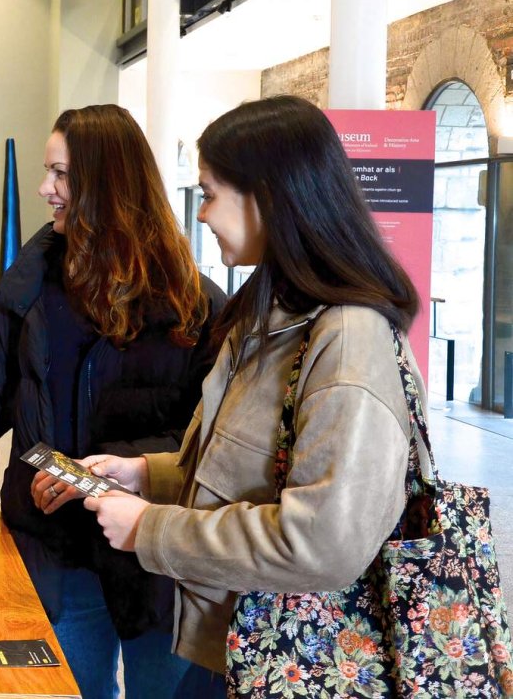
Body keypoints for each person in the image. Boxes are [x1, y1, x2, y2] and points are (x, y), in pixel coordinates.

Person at [0, 105, 225, 699]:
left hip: (163, 561)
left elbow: (212, 443)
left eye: (60, 174)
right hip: (58, 555)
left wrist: (126, 472)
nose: (44, 188)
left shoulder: (194, 304)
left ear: (107, 183)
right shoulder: (33, 278)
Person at [81, 96, 423, 696]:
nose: (204, 213)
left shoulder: (347, 338)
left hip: (296, 661)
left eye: (211, 192)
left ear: (267, 195)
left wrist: (150, 530)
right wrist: (149, 475)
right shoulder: (274, 317)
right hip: (237, 643)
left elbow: (322, 541)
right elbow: (260, 469)